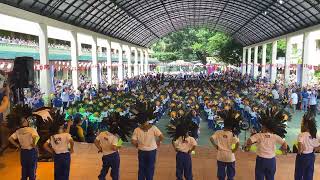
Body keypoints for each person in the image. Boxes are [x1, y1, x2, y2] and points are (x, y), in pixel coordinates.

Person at [245, 108, 288, 180]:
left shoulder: (259, 135)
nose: (262, 127)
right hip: (271, 161)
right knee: (270, 177)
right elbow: (284, 144)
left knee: (259, 177)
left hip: (261, 160)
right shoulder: (275, 136)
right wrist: (282, 150)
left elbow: (249, 140)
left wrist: (248, 147)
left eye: (263, 126)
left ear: (265, 127)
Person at [94, 112, 135, 180]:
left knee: (104, 168)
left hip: (105, 155)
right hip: (114, 156)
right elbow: (114, 148)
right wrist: (120, 144)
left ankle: (101, 177)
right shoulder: (114, 137)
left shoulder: (102, 133)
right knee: (115, 170)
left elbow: (95, 141)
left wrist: (100, 148)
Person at [7, 105, 40, 180]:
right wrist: (34, 144)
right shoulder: (31, 129)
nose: (27, 121)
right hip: (31, 152)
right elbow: (36, 137)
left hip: (23, 152)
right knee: (32, 169)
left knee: (24, 169)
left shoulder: (18, 131)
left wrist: (17, 145)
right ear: (24, 122)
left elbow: (10, 139)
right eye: (25, 120)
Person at [131, 108, 164, 180]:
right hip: (151, 151)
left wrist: (136, 145)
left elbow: (133, 141)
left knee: (141, 168)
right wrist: (158, 142)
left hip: (141, 151)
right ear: (147, 119)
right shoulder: (153, 128)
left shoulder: (137, 129)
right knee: (150, 168)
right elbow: (161, 137)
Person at [210, 108, 241, 180]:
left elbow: (211, 138)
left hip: (220, 156)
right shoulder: (232, 134)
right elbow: (238, 143)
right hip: (230, 156)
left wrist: (216, 146)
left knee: (221, 174)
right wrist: (234, 150)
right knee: (230, 175)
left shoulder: (218, 132)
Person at [43, 111, 74, 180]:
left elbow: (45, 145)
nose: (63, 127)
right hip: (65, 156)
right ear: (60, 127)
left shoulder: (52, 137)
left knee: (57, 172)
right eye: (62, 127)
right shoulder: (66, 135)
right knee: (65, 172)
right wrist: (72, 148)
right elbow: (71, 140)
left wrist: (52, 151)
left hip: (57, 156)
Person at [167, 114, 197, 180]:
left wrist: (175, 148)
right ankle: (188, 178)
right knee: (187, 168)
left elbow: (173, 141)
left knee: (179, 168)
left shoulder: (179, 138)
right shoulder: (190, 138)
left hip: (180, 155)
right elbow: (194, 145)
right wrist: (191, 150)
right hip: (186, 155)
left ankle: (180, 178)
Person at [294, 112, 319, 180]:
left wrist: (300, 150)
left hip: (302, 156)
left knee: (299, 173)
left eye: (302, 123)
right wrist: (315, 149)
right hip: (311, 156)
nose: (301, 124)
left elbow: (300, 145)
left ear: (306, 125)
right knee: (309, 174)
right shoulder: (314, 134)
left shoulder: (301, 134)